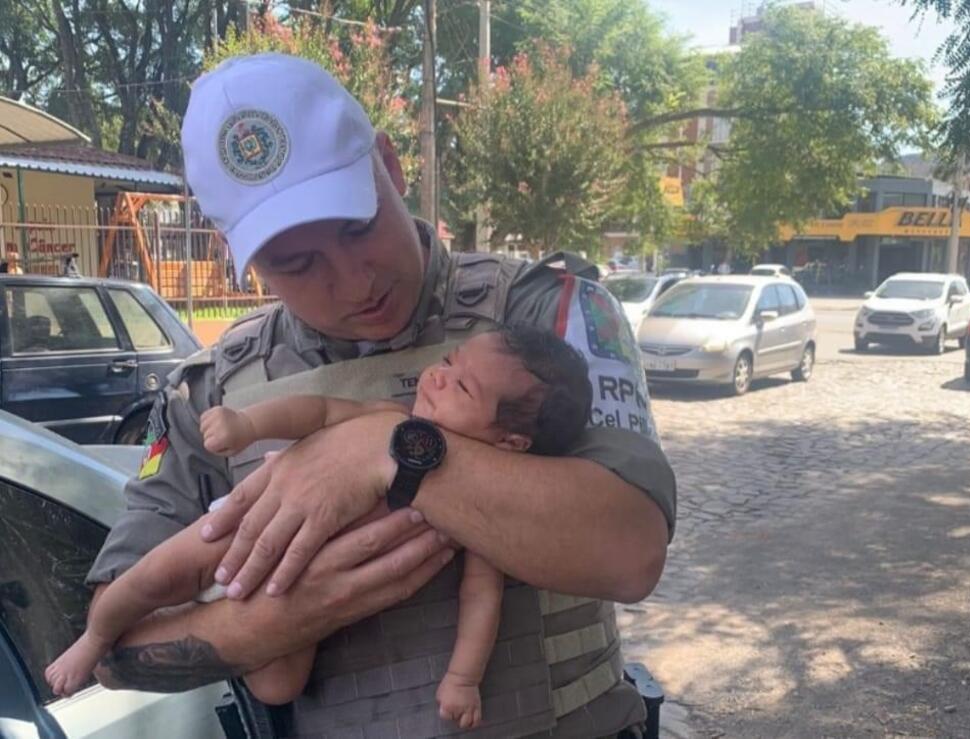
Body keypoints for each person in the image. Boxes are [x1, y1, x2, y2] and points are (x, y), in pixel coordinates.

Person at [85, 53, 675, 738]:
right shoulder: (209, 393)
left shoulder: (548, 314)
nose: (353, 281)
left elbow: (633, 550)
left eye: (356, 226)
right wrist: (281, 617)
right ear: (233, 252)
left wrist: (389, 448)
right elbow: (111, 650)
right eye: (296, 263)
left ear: (390, 167)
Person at [51, 327, 590, 730]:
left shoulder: (480, 507)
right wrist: (247, 425)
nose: (438, 375)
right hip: (248, 529)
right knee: (157, 574)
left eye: (463, 389)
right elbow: (320, 410)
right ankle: (94, 637)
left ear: (510, 443)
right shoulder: (390, 417)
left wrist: (463, 678)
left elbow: (481, 597)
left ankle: (170, 621)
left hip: (294, 596)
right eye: (447, 361)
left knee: (279, 686)